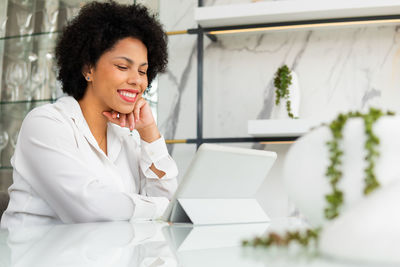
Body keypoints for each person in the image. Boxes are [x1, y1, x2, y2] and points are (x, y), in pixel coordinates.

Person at [0, 1, 178, 228]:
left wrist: (149, 133)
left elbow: (166, 199)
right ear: (88, 69)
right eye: (123, 67)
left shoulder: (125, 139)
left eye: (143, 71)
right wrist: (162, 208)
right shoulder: (45, 124)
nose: (137, 80)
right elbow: (92, 209)